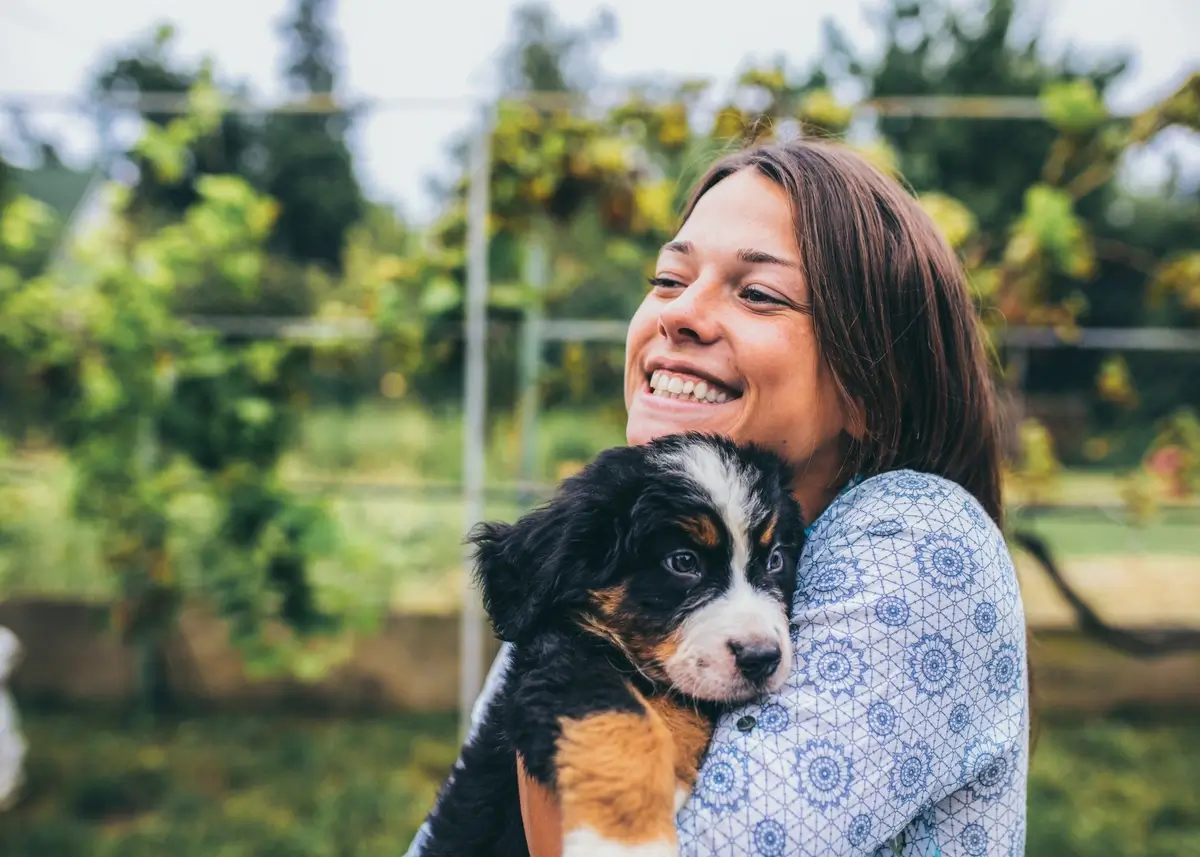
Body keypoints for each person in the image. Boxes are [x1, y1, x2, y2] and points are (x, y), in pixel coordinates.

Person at [406, 138, 1029, 857]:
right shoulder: (609, 566)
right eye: (669, 278)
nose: (680, 314)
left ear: (869, 388)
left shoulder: (919, 541)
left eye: (758, 292)